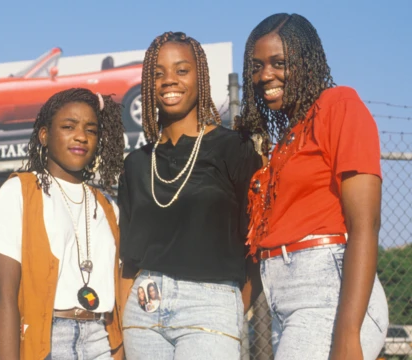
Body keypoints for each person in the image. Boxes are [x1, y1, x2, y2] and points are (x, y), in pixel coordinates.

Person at [239, 13, 389, 360]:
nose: (265, 76)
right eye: (257, 66)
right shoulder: (285, 143)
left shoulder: (339, 106)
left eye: (279, 63)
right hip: (285, 306)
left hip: (329, 296)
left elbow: (365, 226)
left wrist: (349, 333)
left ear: (306, 62)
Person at [119, 31, 262, 359]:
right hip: (143, 309)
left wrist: (232, 309)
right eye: (158, 73)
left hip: (210, 306)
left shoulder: (235, 149)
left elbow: (258, 243)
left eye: (181, 70)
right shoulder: (136, 164)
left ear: (201, 78)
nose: (169, 81)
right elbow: (128, 263)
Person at [0, 88, 126, 360]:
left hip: (102, 340)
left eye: (91, 130)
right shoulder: (20, 191)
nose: (81, 137)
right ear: (44, 135)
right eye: (68, 126)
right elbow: (4, 295)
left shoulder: (108, 205)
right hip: (50, 339)